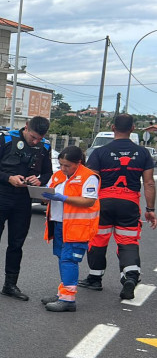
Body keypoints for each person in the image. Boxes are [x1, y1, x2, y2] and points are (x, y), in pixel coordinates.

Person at [78, 114, 156, 299]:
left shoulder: (99, 153)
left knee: (97, 240)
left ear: (113, 128)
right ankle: (130, 276)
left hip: (103, 203)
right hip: (129, 204)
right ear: (133, 128)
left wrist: (86, 205)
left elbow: (92, 181)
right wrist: (150, 210)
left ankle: (95, 279)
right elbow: (149, 183)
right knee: (128, 242)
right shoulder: (143, 153)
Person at [0, 116, 53, 301]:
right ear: (26, 127)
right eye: (33, 137)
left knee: (16, 244)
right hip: (0, 196)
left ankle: (10, 285)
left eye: (39, 139)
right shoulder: (6, 139)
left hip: (23, 200)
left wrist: (40, 179)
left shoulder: (45, 146)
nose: (35, 141)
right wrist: (7, 178)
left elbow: (48, 171)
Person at [39, 146, 100, 312]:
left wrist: (64, 198)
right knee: (62, 258)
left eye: (67, 165)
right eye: (61, 165)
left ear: (78, 163)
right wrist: (43, 196)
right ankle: (63, 293)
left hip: (78, 226)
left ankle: (68, 300)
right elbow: (49, 191)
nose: (63, 169)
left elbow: (89, 201)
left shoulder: (89, 176)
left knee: (69, 260)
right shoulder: (58, 175)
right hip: (59, 223)